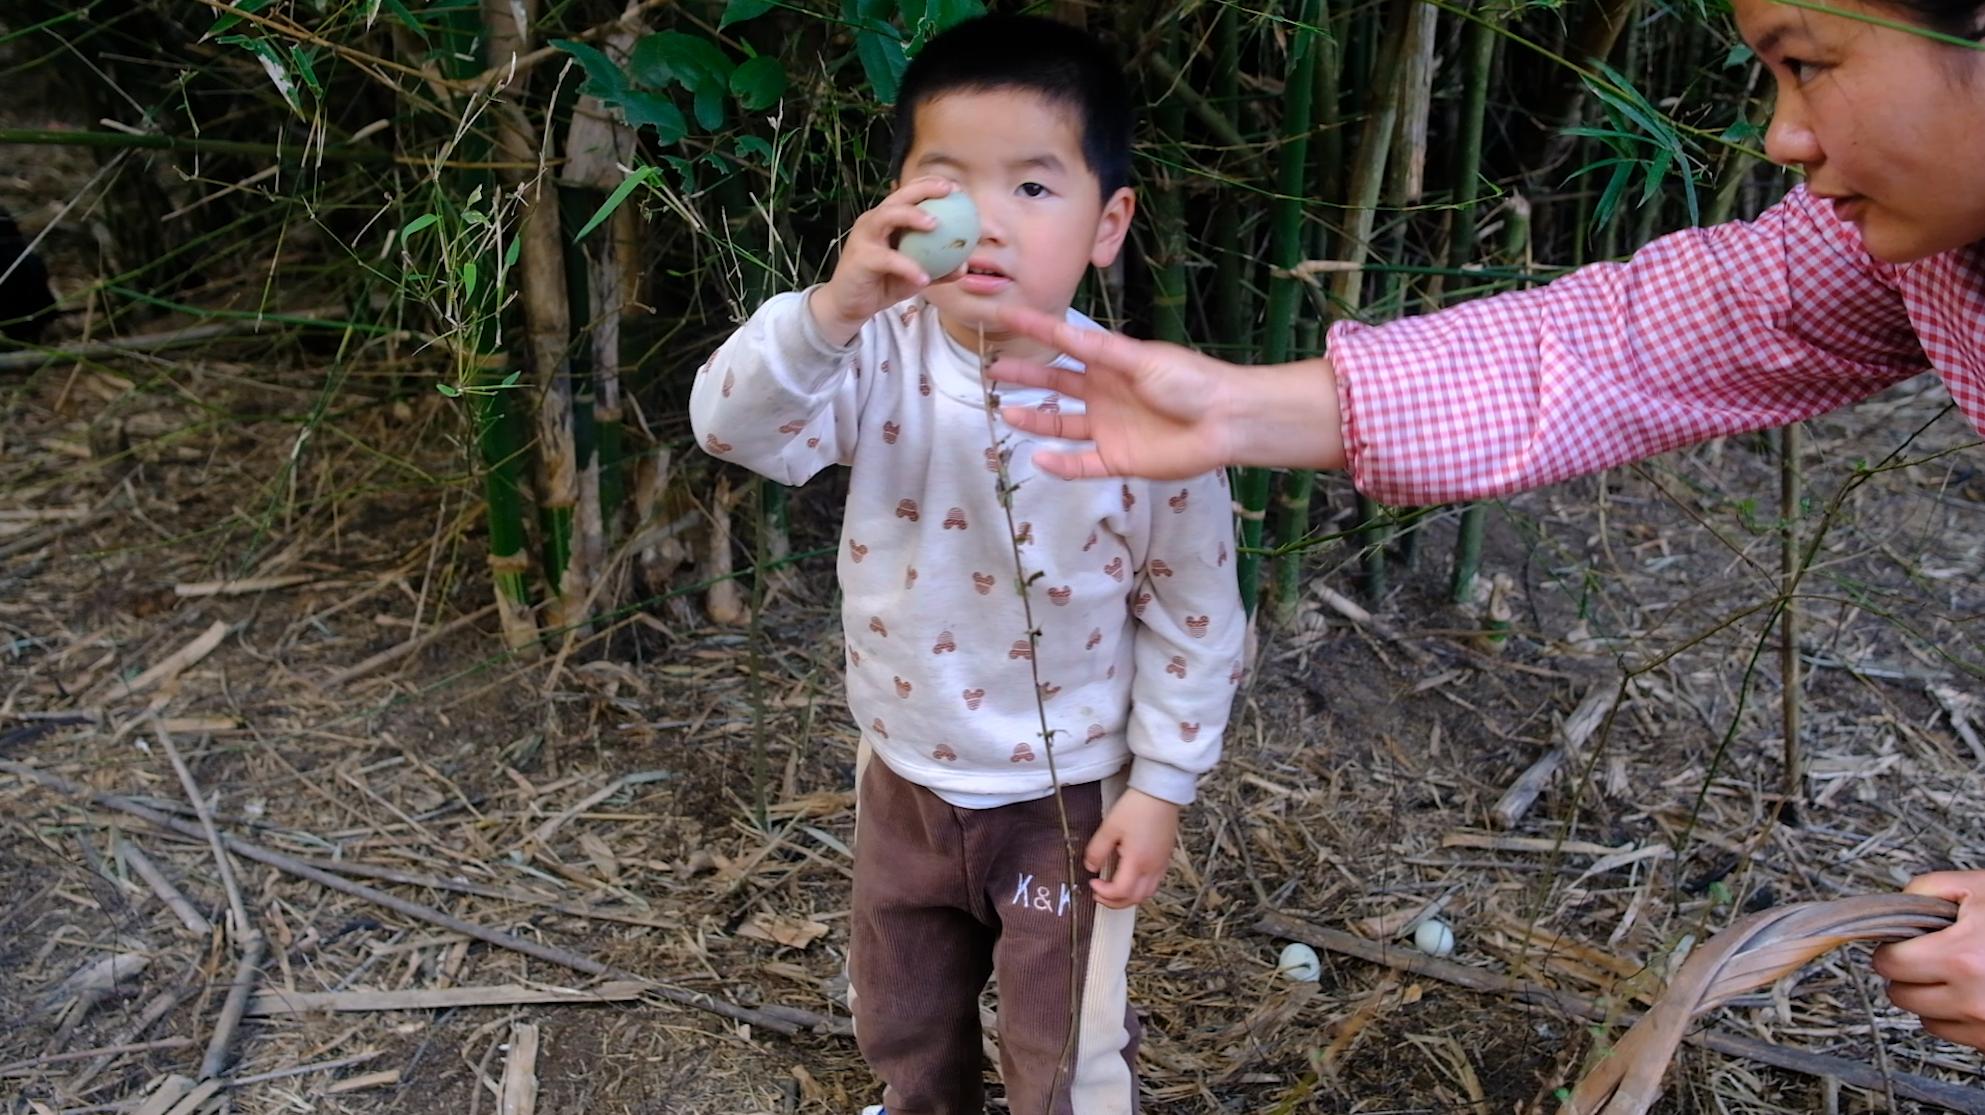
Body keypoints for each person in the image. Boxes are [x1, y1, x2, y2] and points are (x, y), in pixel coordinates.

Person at [985, 0, 1985, 1054]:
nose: (1781, 135)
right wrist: (1237, 406)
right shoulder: (1904, 248)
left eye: (1808, 63)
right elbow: (1633, 342)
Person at [691, 15, 1244, 1113]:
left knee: (1063, 1042)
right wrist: (832, 306)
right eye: (946, 179)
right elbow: (732, 426)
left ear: (1107, 222)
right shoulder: (870, 352)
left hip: (1065, 794)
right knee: (899, 1004)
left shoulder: (1147, 412)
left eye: (1033, 188)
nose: (985, 218)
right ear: (896, 200)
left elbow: (1196, 615)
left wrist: (1161, 787)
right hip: (901, 766)